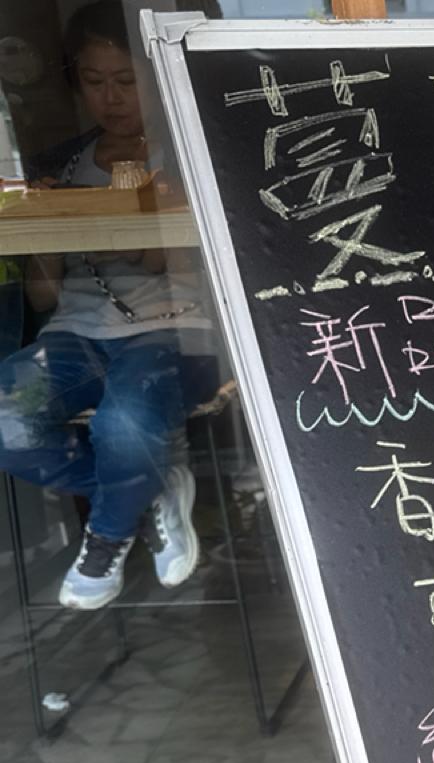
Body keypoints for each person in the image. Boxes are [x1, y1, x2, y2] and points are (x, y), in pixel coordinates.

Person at [0, 0, 218, 610]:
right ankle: (148, 490)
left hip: (176, 331)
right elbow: (42, 295)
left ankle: (106, 537)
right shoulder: (58, 167)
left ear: (156, 78)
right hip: (75, 335)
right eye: (94, 82)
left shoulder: (190, 155)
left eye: (125, 81)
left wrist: (144, 213)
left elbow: (166, 266)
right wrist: (50, 228)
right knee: (7, 418)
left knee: (125, 423)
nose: (111, 98)